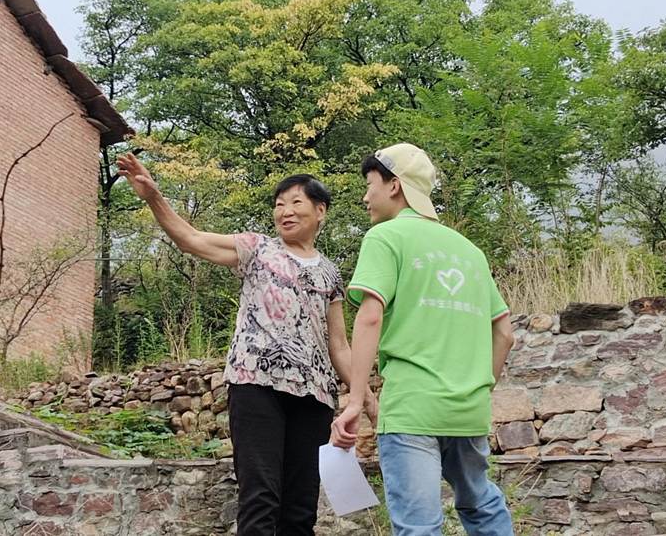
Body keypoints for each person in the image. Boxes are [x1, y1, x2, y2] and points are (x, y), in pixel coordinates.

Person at [116, 152, 377, 536]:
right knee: (261, 498)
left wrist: (363, 395)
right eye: (278, 204)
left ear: (320, 210)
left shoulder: (330, 273)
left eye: (295, 202)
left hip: (314, 397)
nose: (284, 211)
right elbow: (191, 240)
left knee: (301, 507)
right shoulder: (257, 249)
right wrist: (155, 196)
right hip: (256, 385)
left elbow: (338, 344)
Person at [330, 143, 516, 536]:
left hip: (412, 407)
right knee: (481, 504)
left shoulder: (385, 238)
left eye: (370, 184)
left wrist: (355, 400)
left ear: (394, 186)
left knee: (419, 525)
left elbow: (370, 317)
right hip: (468, 410)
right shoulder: (470, 251)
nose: (366, 196)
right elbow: (504, 332)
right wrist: (479, 388)